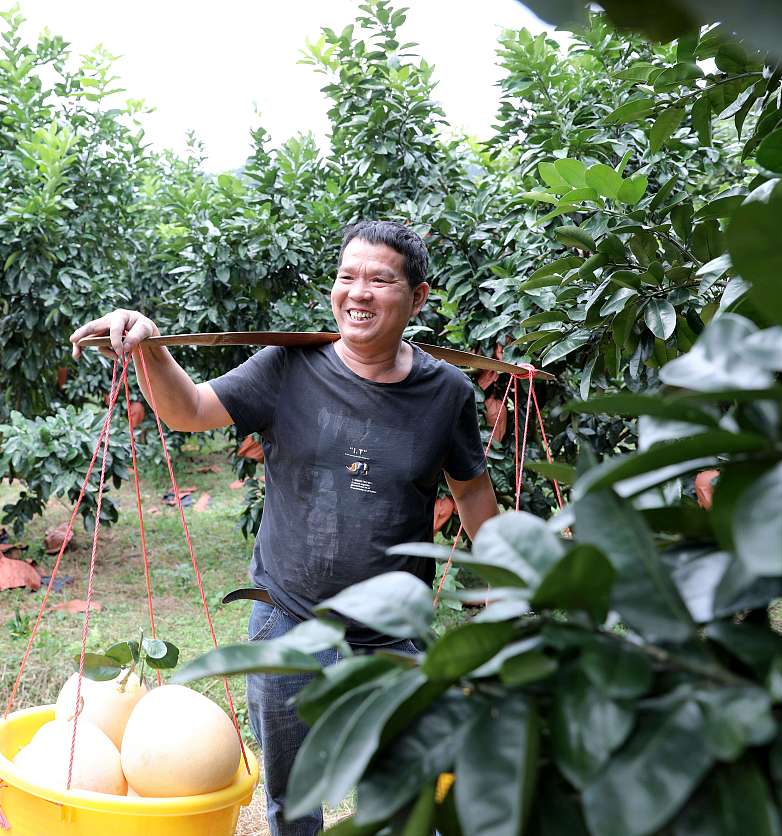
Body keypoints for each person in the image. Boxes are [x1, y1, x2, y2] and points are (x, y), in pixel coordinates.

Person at [70, 220, 500, 836]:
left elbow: (471, 487)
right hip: (289, 618)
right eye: (347, 277)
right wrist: (152, 347)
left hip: (392, 634)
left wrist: (504, 582)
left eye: (380, 280)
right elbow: (189, 410)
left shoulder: (446, 391)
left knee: (409, 798)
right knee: (294, 802)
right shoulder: (288, 367)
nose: (359, 292)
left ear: (418, 297)